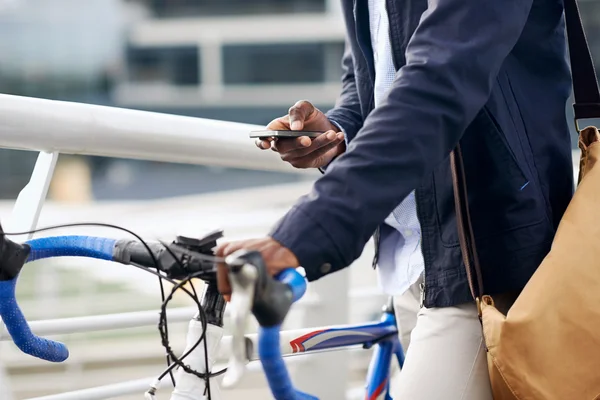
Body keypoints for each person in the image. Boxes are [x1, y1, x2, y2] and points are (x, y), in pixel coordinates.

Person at [216, 0, 574, 398]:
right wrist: (338, 133)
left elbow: (440, 80)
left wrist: (306, 233)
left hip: (486, 260)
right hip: (408, 262)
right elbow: (369, 74)